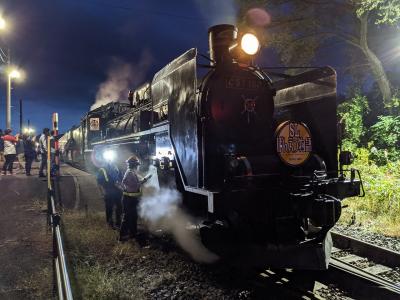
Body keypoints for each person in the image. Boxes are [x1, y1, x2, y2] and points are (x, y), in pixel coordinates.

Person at [119, 155, 151, 242]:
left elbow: (135, 183)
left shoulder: (131, 172)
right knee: (127, 217)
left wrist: (144, 179)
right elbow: (134, 186)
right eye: (137, 165)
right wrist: (145, 179)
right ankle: (123, 237)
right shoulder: (130, 173)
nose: (138, 166)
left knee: (133, 217)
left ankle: (132, 235)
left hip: (131, 199)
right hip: (129, 199)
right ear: (135, 165)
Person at [96, 157, 122, 229]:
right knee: (109, 208)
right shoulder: (103, 169)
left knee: (119, 207)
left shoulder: (117, 168)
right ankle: (109, 223)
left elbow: (121, 179)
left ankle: (118, 223)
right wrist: (102, 192)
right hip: (108, 191)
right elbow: (99, 182)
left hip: (118, 191)